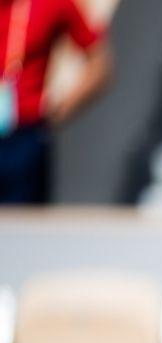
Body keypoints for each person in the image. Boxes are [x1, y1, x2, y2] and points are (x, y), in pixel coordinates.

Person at [0, 0, 113, 204]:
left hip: (24, 137)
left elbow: (99, 64)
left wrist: (60, 109)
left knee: (22, 226)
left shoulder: (52, 4)